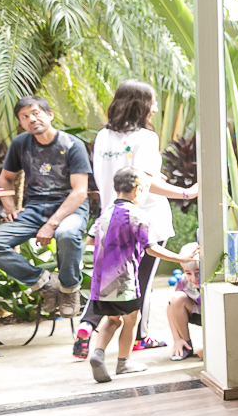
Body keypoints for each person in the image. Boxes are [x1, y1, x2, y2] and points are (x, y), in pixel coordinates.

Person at [74, 80, 200, 358]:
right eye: (152, 102)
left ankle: (87, 325)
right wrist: (186, 192)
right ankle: (139, 337)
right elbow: (144, 181)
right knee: (140, 281)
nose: (154, 108)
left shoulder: (103, 137)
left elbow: (114, 175)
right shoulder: (146, 137)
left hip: (112, 217)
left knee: (108, 280)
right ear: (140, 104)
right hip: (147, 217)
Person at [0, 96, 91, 319]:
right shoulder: (20, 144)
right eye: (25, 116)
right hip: (35, 209)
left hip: (70, 208)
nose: (31, 119)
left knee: (67, 234)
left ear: (49, 115)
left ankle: (69, 290)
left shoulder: (72, 144)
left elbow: (79, 192)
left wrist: (51, 224)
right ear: (21, 123)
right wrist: (9, 207)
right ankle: (44, 282)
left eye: (36, 113)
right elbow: (6, 178)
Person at [86, 167, 191, 383]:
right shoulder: (137, 215)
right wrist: (179, 258)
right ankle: (123, 362)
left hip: (100, 282)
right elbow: (152, 248)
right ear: (137, 191)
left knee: (112, 320)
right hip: (124, 281)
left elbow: (90, 241)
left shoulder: (105, 214)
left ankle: (98, 353)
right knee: (133, 319)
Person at [167, 243, 201, 361]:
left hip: (212, 320)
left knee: (202, 352)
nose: (194, 279)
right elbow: (171, 308)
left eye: (198, 272)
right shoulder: (183, 281)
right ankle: (185, 344)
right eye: (188, 273)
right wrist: (177, 339)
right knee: (176, 298)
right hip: (197, 314)